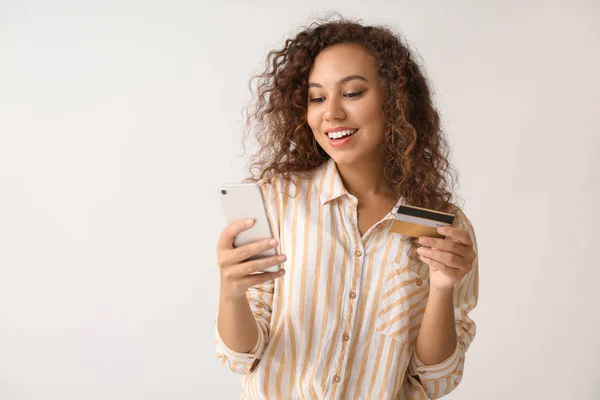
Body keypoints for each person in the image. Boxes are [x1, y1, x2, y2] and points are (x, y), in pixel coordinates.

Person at [214, 16, 479, 400]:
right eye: (317, 98)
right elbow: (240, 357)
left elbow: (434, 380)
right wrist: (232, 292)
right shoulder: (276, 202)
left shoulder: (443, 227)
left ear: (395, 100)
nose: (331, 113)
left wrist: (441, 288)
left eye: (352, 93)